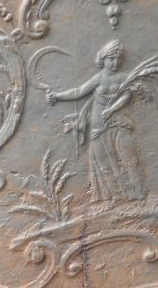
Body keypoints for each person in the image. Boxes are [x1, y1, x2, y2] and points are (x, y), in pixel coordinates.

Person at [46, 39, 145, 204]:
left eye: (119, 59)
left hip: (118, 121)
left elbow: (127, 96)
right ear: (103, 58)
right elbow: (79, 91)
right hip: (98, 125)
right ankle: (116, 196)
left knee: (129, 158)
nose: (115, 63)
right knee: (104, 163)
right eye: (111, 59)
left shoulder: (124, 78)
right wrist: (57, 95)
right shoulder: (98, 79)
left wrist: (112, 109)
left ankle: (139, 193)